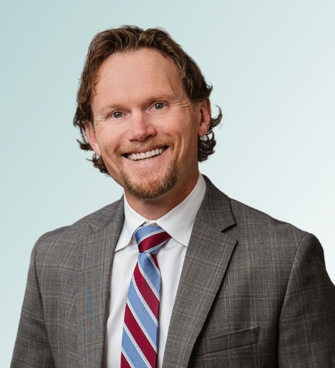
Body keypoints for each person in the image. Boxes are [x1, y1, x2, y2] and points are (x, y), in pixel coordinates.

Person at [11, 26, 335, 368]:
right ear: (92, 134)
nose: (139, 131)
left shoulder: (287, 260)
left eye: (158, 104)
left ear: (201, 114)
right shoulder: (52, 259)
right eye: (116, 114)